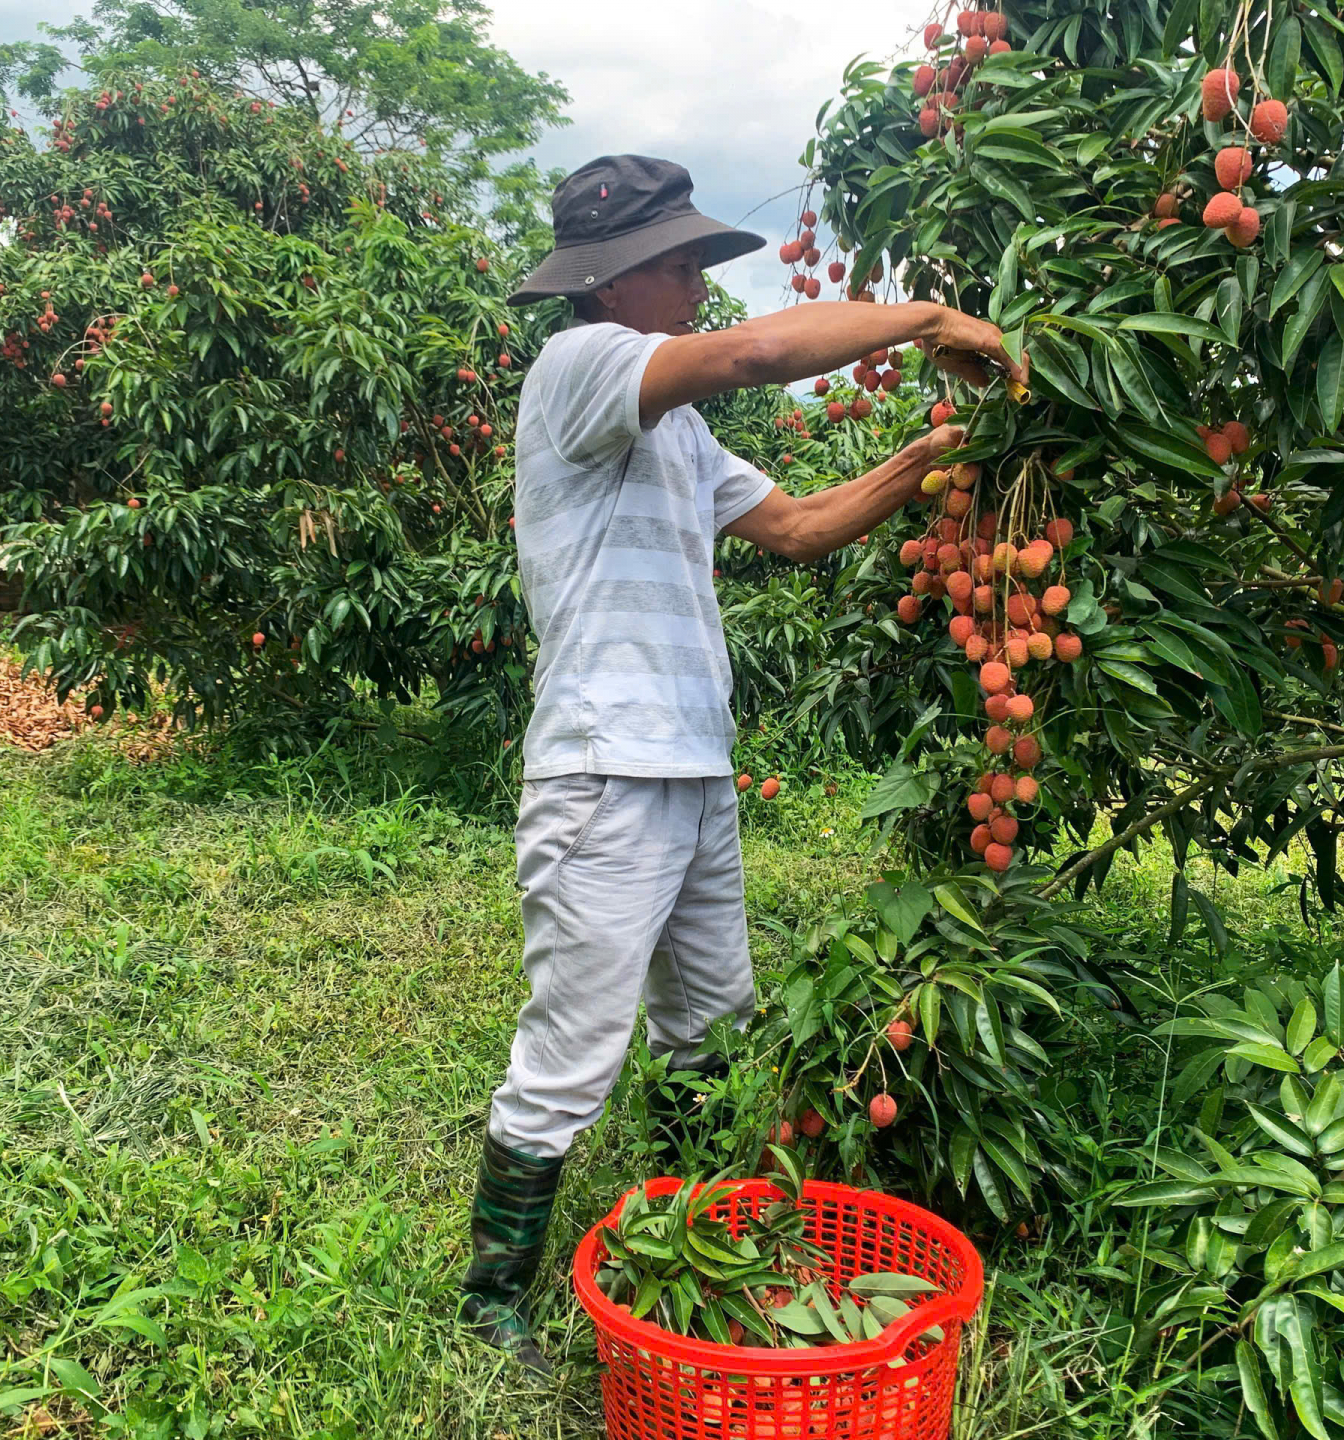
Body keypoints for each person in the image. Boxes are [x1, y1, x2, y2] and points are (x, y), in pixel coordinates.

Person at [459, 153, 1026, 1369]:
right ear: (613, 279)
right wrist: (928, 318)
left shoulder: (676, 427)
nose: (698, 287)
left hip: (692, 771)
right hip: (605, 771)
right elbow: (762, 351)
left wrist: (940, 452)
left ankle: (683, 1236)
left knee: (710, 1029)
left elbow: (802, 529)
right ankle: (492, 1297)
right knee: (575, 1048)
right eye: (680, 264)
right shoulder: (582, 367)